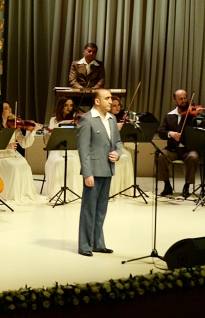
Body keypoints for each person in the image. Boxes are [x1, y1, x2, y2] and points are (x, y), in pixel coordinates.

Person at [77, 89, 123, 256]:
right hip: (94, 171)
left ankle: (97, 243)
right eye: (107, 98)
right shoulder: (87, 120)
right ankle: (85, 245)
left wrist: (118, 153)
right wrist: (87, 173)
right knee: (89, 209)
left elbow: (117, 142)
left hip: (107, 169)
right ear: (97, 101)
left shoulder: (112, 119)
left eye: (111, 98)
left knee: (101, 209)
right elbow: (83, 150)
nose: (111, 101)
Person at [0, 99, 42, 204]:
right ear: (0, 112)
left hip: (13, 154)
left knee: (24, 163)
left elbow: (25, 144)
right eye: (6, 108)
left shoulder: (13, 125)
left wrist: (33, 131)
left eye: (9, 108)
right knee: (14, 166)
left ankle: (21, 194)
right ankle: (10, 194)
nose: (10, 110)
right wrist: (6, 147)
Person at [156, 89, 205, 198]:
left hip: (188, 149)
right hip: (173, 149)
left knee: (193, 157)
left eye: (185, 98)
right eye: (180, 99)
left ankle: (187, 186)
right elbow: (161, 132)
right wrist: (170, 133)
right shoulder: (169, 115)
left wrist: (200, 117)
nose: (184, 101)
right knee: (161, 156)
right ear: (175, 101)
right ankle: (167, 185)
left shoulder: (193, 114)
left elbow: (201, 129)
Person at [42, 96, 83, 199]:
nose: (69, 108)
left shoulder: (76, 119)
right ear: (61, 106)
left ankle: (73, 192)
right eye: (66, 105)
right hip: (57, 149)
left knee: (73, 162)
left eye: (71, 105)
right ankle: (56, 191)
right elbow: (51, 132)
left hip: (72, 149)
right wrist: (63, 123)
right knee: (57, 162)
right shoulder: (54, 120)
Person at [107, 96, 135, 194]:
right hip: (108, 147)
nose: (117, 107)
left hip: (119, 146)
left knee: (127, 155)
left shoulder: (120, 117)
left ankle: (124, 187)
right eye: (114, 106)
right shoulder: (107, 118)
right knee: (124, 156)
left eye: (118, 105)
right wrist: (115, 127)